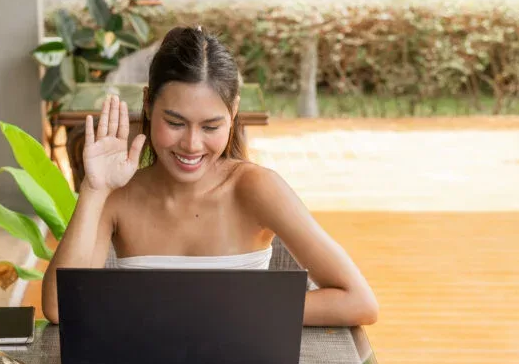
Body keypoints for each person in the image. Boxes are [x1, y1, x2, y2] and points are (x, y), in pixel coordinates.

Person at [41, 25, 378, 327]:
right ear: (147, 104)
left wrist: (224, 310)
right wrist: (94, 190)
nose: (191, 144)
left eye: (211, 126)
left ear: (233, 114)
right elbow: (60, 308)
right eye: (175, 123)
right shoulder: (118, 194)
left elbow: (358, 301)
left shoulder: (256, 187)